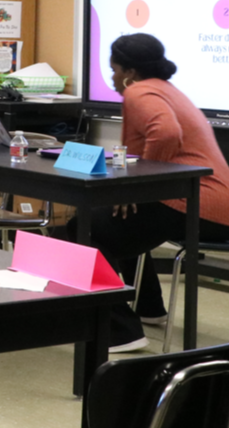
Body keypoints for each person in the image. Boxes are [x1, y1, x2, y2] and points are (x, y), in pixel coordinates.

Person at [70, 33, 229, 352]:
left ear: (129, 72)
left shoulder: (139, 91)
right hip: (211, 202)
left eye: (114, 70)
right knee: (122, 217)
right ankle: (149, 308)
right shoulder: (165, 89)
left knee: (82, 227)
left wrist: (140, 186)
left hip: (198, 203)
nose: (112, 77)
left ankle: (120, 331)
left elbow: (166, 132)